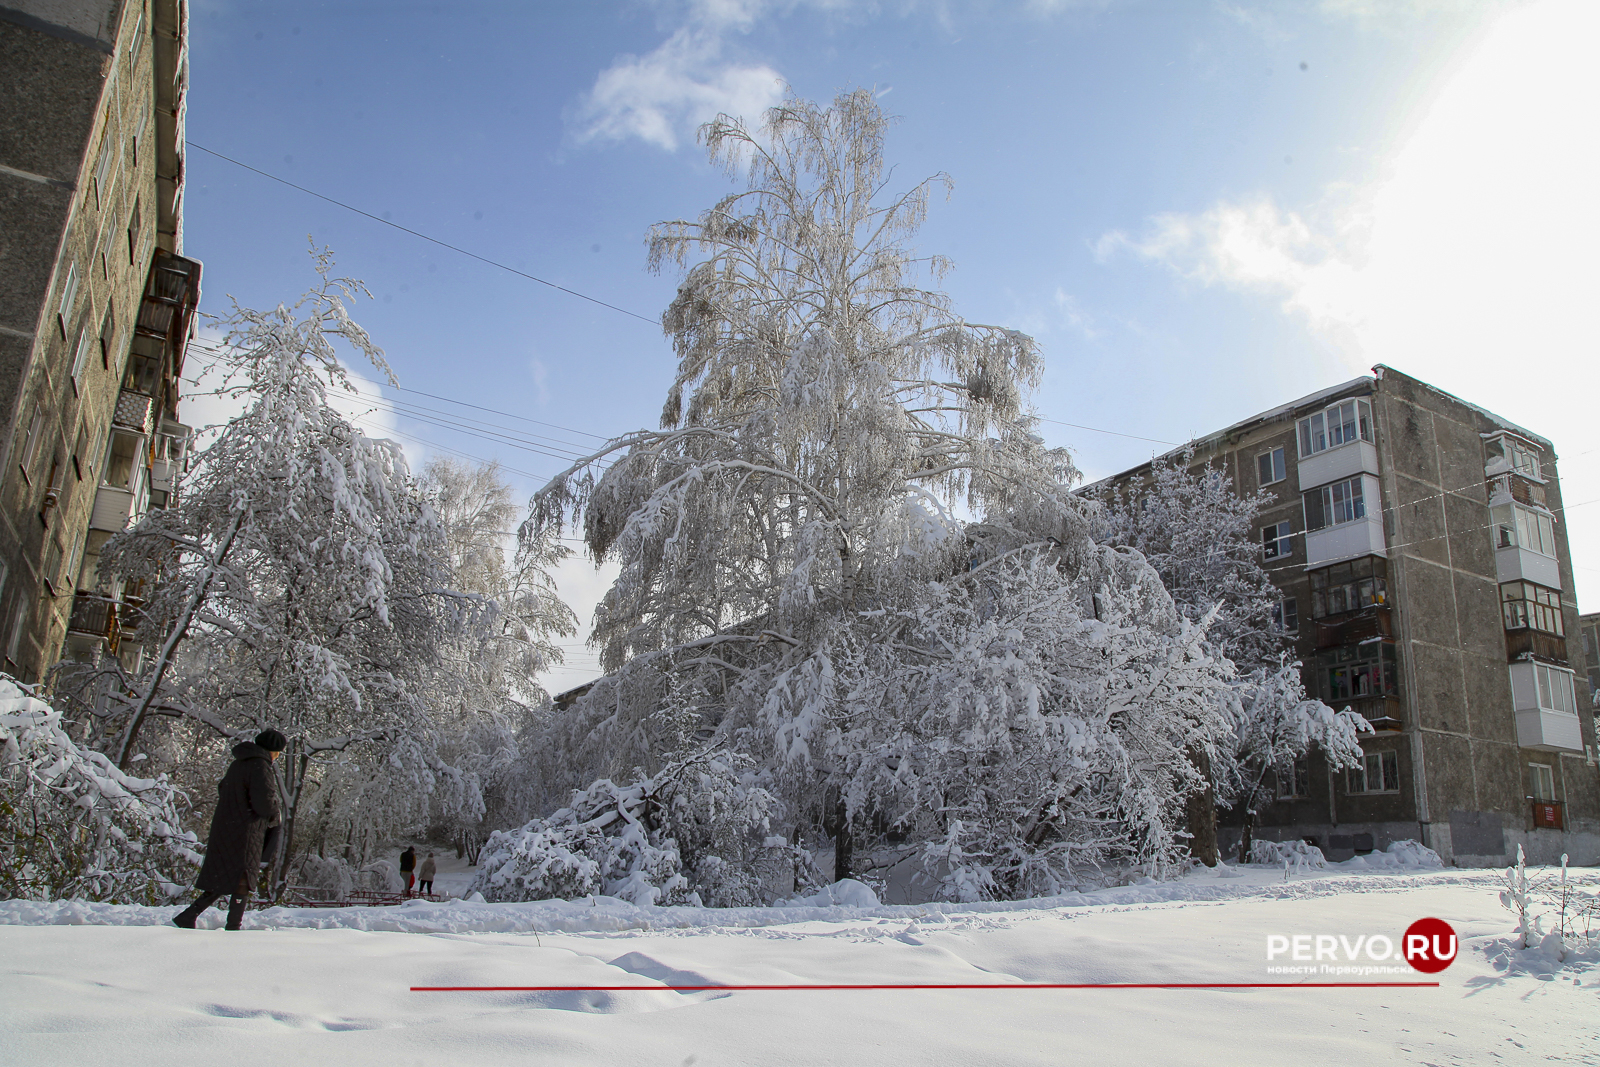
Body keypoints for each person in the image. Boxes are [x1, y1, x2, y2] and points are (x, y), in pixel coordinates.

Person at [172, 730, 286, 931]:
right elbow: (264, 804)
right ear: (272, 751)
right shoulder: (260, 766)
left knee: (225, 877)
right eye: (278, 752)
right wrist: (275, 810)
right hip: (246, 831)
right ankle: (233, 926)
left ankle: (188, 916)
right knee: (242, 877)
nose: (277, 757)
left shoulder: (238, 764)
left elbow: (223, 788)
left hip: (226, 828)